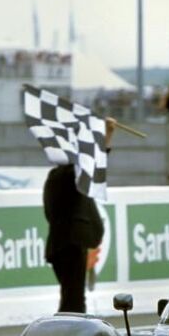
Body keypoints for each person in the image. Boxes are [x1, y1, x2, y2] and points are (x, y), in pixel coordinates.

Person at [43, 117, 117, 313]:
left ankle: (68, 330)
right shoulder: (68, 177)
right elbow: (93, 165)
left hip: (64, 245)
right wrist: (105, 136)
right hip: (70, 245)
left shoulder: (58, 176)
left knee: (72, 297)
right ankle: (70, 334)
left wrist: (105, 137)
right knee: (74, 300)